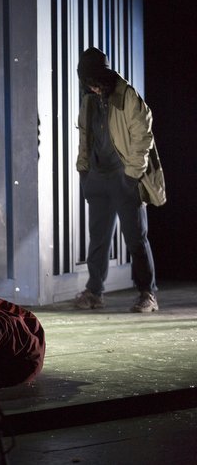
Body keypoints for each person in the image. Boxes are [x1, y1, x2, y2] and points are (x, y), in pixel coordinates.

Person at [73, 47, 166, 313]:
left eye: (95, 82)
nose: (93, 87)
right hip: (98, 178)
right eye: (88, 83)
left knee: (136, 238)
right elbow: (84, 137)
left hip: (124, 177)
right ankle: (94, 292)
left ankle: (147, 293)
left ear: (104, 76)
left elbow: (143, 137)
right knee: (98, 238)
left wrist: (132, 175)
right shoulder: (89, 98)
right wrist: (84, 171)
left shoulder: (127, 96)